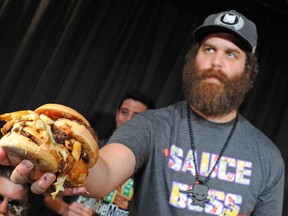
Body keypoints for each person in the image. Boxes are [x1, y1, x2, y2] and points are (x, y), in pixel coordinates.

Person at [0, 9, 285, 215]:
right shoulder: (151, 125)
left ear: (249, 71)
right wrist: (57, 152)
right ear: (193, 58)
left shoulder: (268, 156)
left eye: (231, 53)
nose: (216, 62)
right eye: (209, 49)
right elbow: (105, 172)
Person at [43, 90, 155, 215]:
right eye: (124, 112)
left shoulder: (150, 166)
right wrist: (65, 209)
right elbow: (50, 196)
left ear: (146, 123)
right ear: (117, 114)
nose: (128, 119)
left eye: (136, 116)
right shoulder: (88, 149)